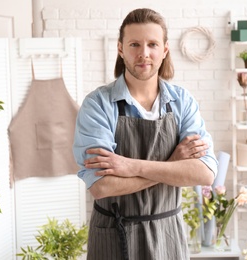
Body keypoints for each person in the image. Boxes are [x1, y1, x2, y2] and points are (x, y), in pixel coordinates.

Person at [73, 8, 218, 260]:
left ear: (164, 49)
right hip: (113, 237)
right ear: (120, 48)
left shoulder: (182, 102)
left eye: (152, 44)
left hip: (168, 235)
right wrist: (172, 164)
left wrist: (130, 166)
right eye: (134, 44)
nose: (144, 53)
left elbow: (204, 173)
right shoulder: (98, 104)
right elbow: (101, 186)